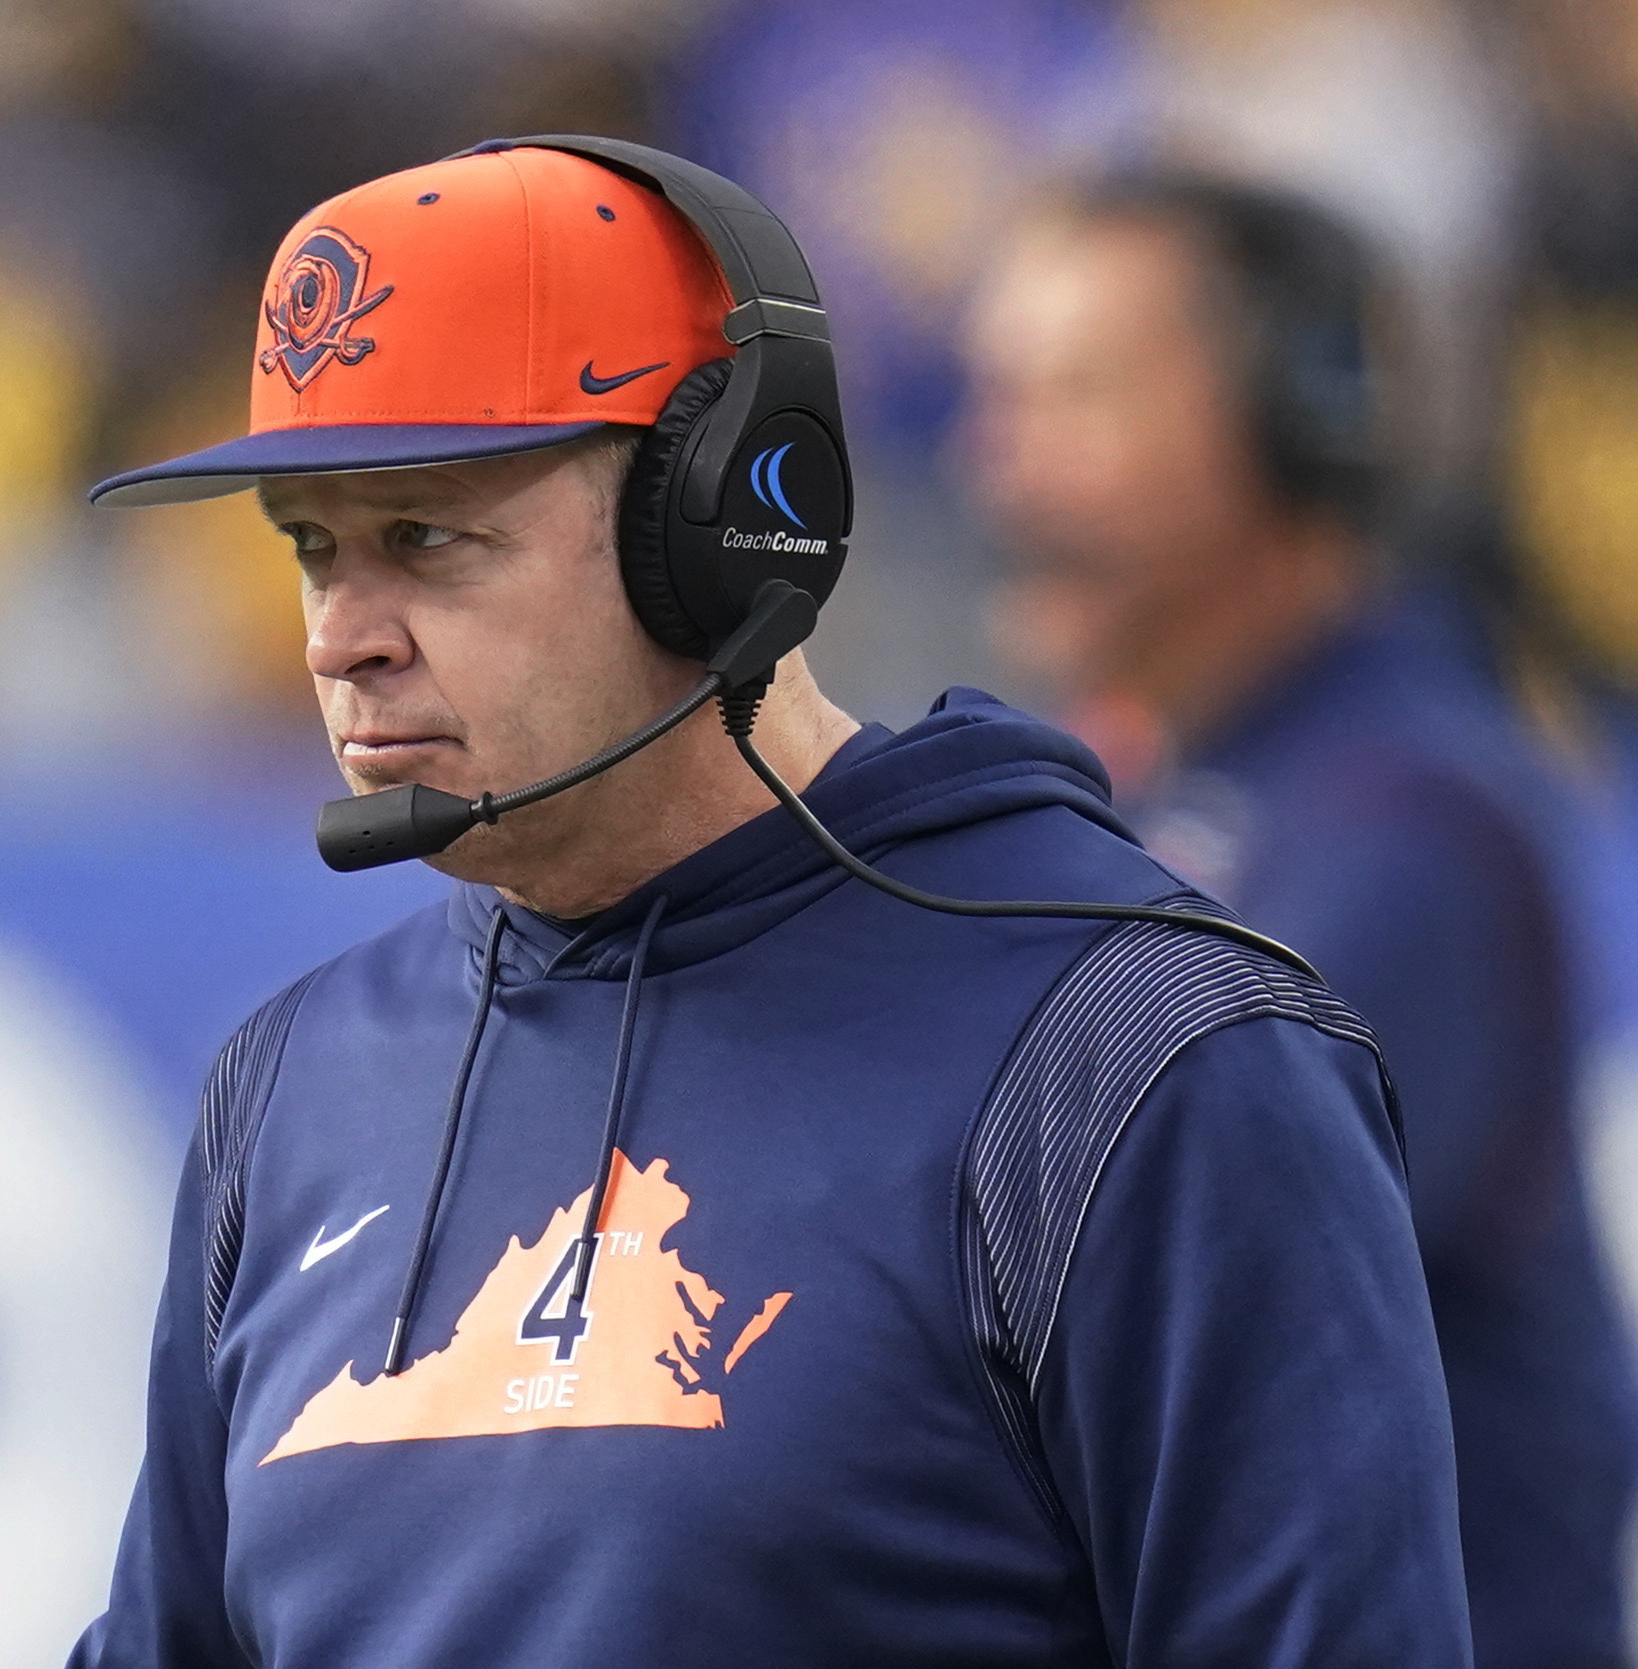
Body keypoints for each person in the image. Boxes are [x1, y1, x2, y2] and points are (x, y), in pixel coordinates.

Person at [73, 140, 1469, 1667]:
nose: (341, 638)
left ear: (717, 528)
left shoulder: (1144, 1061)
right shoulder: (290, 1089)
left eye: (423, 538)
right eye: (309, 548)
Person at [964, 172, 1638, 1669]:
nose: (998, 468)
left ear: (1294, 418)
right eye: (997, 399)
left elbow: (1132, 1260)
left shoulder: (1410, 826)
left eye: (1075, 398)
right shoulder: (1135, 786)